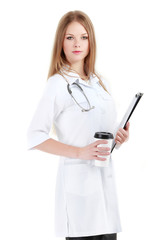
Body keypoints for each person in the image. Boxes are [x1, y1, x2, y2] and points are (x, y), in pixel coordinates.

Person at [27, 10, 130, 240]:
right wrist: (80, 152)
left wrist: (119, 137)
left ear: (91, 41)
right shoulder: (57, 84)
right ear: (60, 42)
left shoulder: (101, 83)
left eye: (83, 37)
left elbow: (102, 134)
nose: (77, 43)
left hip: (106, 194)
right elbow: (34, 135)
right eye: (69, 37)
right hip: (78, 196)